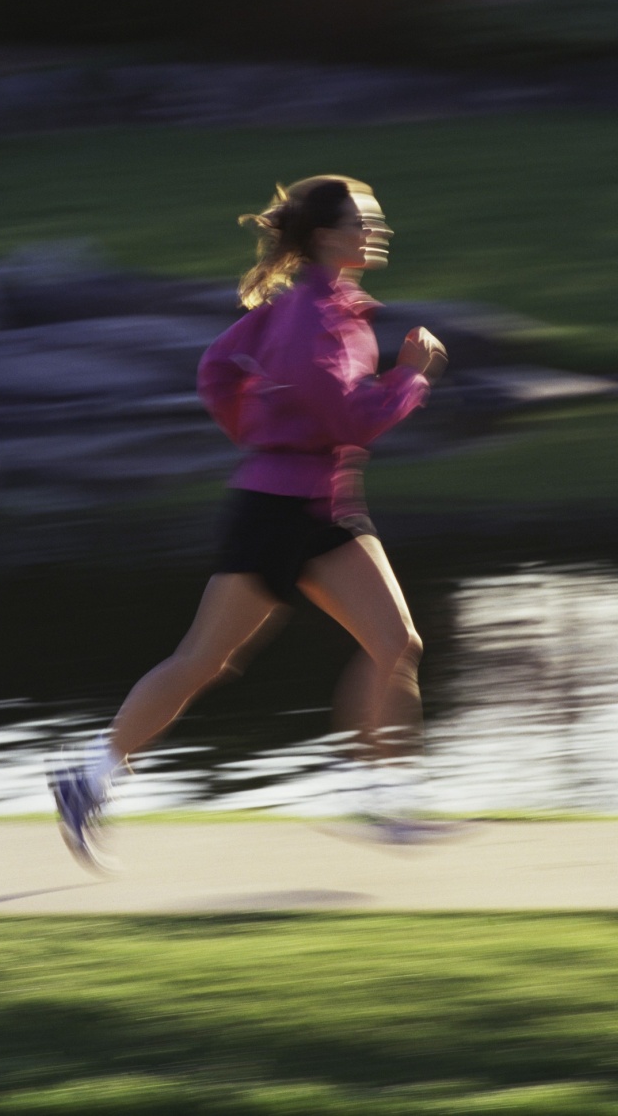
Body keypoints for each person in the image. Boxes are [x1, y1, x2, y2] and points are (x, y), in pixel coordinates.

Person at [49, 174, 447, 868]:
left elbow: (214, 372)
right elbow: (349, 415)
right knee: (206, 659)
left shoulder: (321, 307)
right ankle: (88, 777)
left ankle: (383, 798)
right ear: (326, 235)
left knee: (395, 644)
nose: (375, 230)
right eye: (362, 221)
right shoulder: (315, 317)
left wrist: (261, 432)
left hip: (315, 503)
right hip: (281, 511)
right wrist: (411, 377)